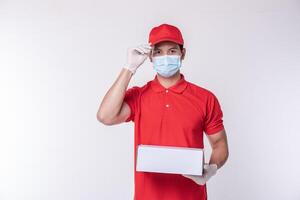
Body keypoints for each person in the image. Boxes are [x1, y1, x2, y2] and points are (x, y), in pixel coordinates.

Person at [97, 23, 229, 200]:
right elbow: (105, 116)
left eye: (172, 51)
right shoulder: (139, 96)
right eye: (158, 52)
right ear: (150, 57)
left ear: (183, 53)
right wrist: (129, 68)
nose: (165, 56)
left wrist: (211, 168)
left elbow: (220, 143)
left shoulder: (205, 98)